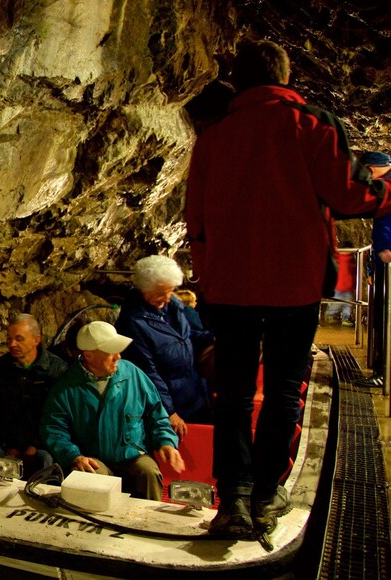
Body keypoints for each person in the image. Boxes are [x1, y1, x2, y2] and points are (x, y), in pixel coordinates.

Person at [185, 40, 391, 538]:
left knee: (231, 393)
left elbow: (197, 219)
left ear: (241, 80)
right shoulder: (310, 124)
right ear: (285, 75)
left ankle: (231, 497)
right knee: (282, 391)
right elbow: (351, 192)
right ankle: (265, 494)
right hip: (292, 286)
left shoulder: (214, 138)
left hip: (230, 287)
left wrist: (209, 278)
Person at [40, 321, 184, 500]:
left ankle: (150, 524)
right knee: (93, 477)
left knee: (148, 472)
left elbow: (156, 414)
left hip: (132, 455)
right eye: (110, 351)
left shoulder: (133, 374)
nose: (118, 356)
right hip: (94, 458)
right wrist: (74, 456)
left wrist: (166, 442)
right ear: (88, 355)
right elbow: (54, 429)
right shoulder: (66, 388)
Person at [116, 256, 215, 438]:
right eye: (162, 292)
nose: (168, 298)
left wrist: (217, 337)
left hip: (196, 394)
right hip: (173, 404)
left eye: (171, 291)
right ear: (145, 289)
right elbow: (147, 372)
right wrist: (168, 411)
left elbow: (189, 336)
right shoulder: (132, 323)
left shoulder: (173, 306)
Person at [0, 313, 68, 478]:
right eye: (9, 339)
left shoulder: (57, 370)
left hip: (43, 444)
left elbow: (58, 417)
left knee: (46, 462)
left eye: (19, 339)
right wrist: (8, 445)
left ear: (36, 340)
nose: (12, 344)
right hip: (8, 444)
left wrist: (35, 446)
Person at [364, 152, 391, 373]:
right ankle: (381, 369)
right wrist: (372, 266)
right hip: (383, 265)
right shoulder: (383, 189)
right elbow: (379, 235)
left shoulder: (387, 188)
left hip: (389, 265)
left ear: (371, 169)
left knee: (385, 319)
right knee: (381, 317)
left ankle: (383, 373)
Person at [324, 244, 356, 326]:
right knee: (346, 304)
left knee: (337, 303)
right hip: (345, 286)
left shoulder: (338, 258)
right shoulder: (352, 261)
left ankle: (330, 316)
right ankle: (343, 319)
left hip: (340, 286)